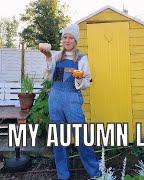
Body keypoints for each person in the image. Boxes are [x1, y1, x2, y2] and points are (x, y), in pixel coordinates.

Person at [40, 24, 100, 180]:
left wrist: (80, 78)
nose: (67, 40)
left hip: (73, 100)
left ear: (76, 40)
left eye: (70, 37)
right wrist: (47, 57)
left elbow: (87, 81)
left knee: (82, 138)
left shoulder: (81, 58)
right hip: (55, 100)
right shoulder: (55, 57)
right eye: (65, 37)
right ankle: (63, 175)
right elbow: (47, 76)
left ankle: (95, 173)